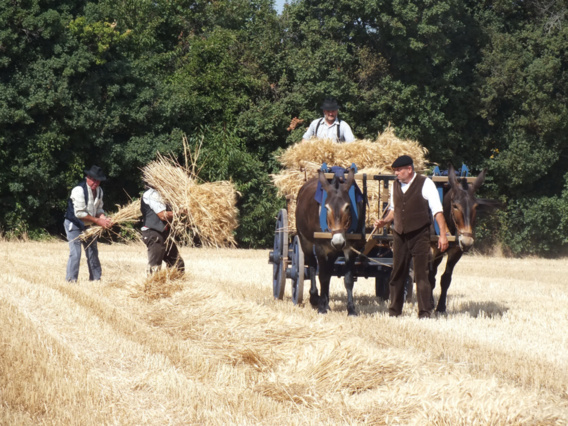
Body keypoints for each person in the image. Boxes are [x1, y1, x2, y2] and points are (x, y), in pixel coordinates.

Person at [374, 155, 449, 318]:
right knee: (397, 273)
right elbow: (393, 210)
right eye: (395, 171)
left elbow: (438, 211)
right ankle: (394, 311)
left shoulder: (425, 184)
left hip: (420, 235)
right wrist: (384, 221)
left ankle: (424, 313)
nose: (396, 174)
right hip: (399, 235)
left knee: (422, 274)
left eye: (399, 170)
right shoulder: (395, 186)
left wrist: (443, 235)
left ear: (409, 169)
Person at [64, 165, 113, 282]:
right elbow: (80, 213)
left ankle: (96, 278)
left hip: (89, 225)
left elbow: (99, 209)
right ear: (88, 177)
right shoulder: (78, 190)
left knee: (92, 252)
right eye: (94, 180)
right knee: (75, 253)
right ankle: (71, 280)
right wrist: (98, 221)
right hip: (74, 224)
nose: (96, 183)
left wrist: (104, 219)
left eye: (98, 181)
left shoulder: (99, 191)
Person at [140, 187, 185, 275]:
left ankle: (175, 286)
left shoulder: (165, 194)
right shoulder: (152, 194)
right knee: (155, 267)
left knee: (177, 264)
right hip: (153, 233)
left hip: (164, 233)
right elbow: (163, 215)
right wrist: (180, 212)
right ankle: (152, 286)